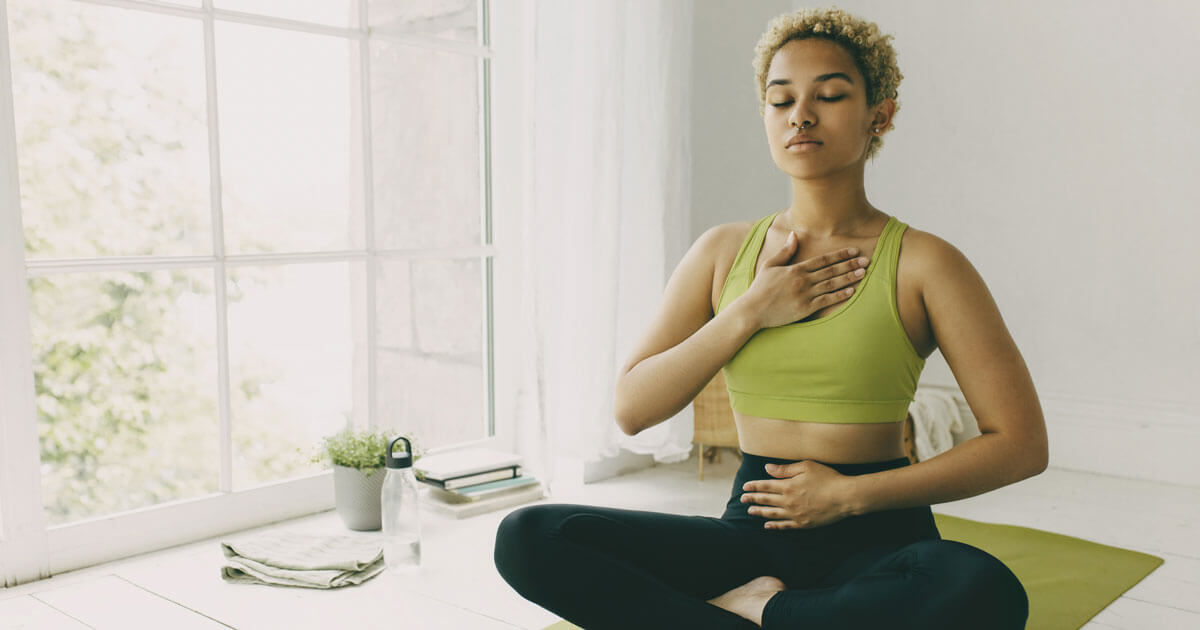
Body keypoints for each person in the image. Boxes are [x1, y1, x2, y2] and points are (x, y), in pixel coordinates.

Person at [494, 7, 1047, 629]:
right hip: (750, 538)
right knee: (529, 536)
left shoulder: (927, 263)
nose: (800, 115)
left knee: (984, 590)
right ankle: (791, 616)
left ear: (880, 115)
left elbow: (1021, 445)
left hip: (880, 539)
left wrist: (847, 496)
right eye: (781, 100)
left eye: (829, 96)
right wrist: (751, 310)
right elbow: (632, 409)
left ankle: (761, 610)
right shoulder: (722, 252)